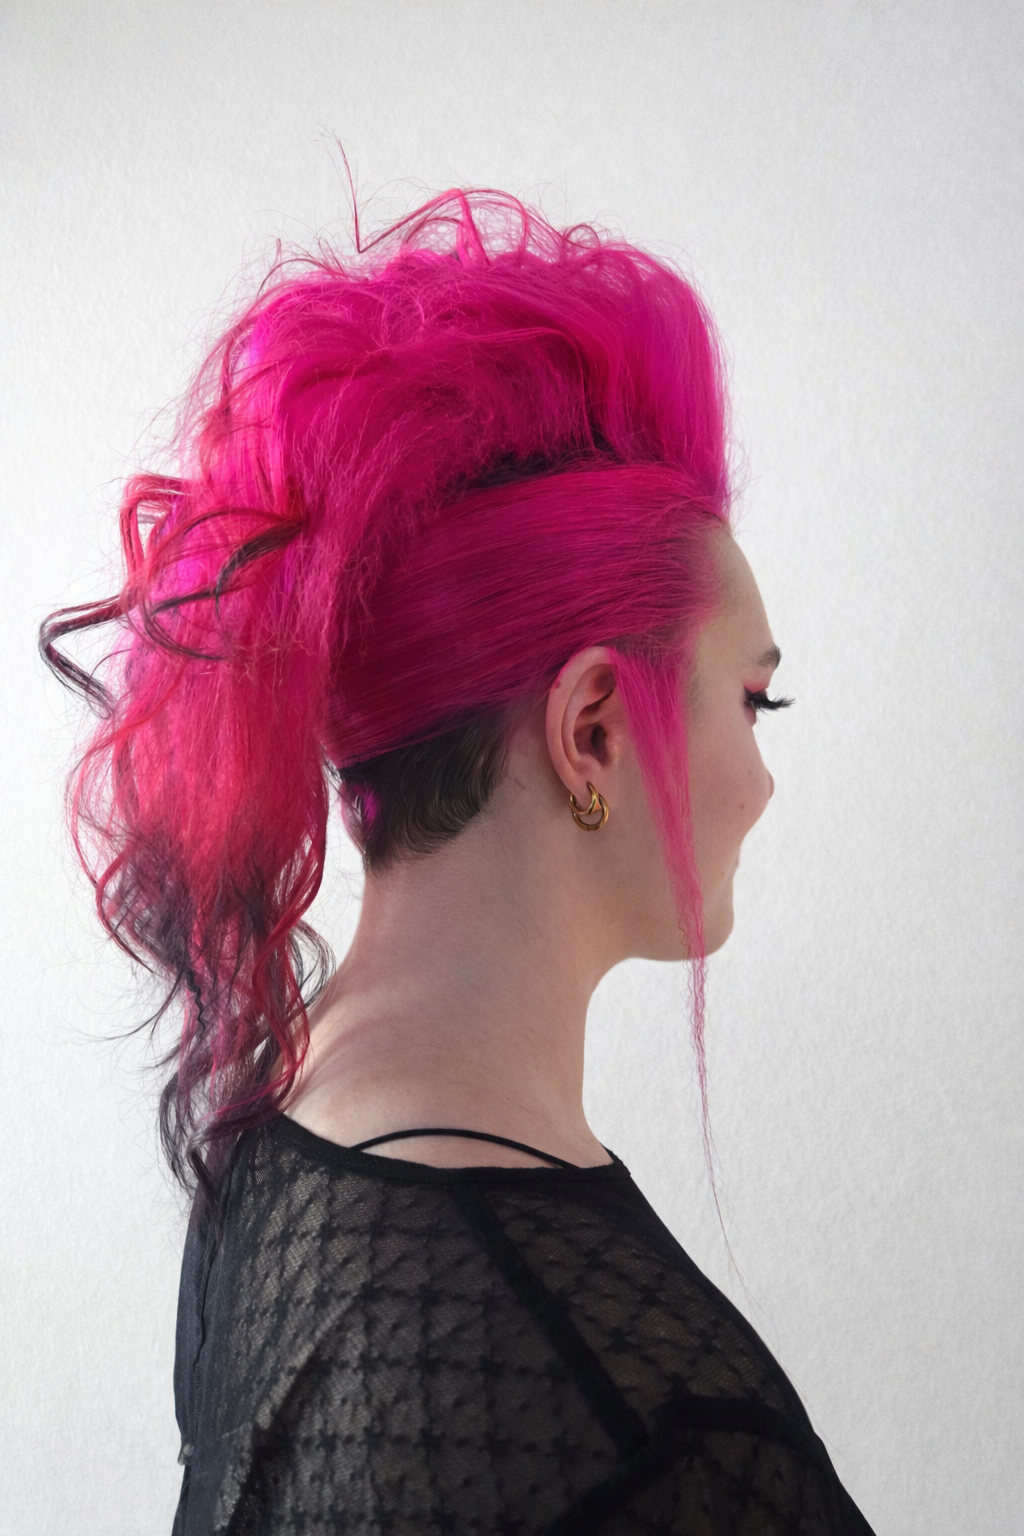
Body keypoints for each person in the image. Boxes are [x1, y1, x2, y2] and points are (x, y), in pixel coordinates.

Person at [43, 189, 876, 1534]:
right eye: (751, 700)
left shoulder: (267, 1147)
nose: (764, 781)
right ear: (593, 729)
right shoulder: (669, 1439)